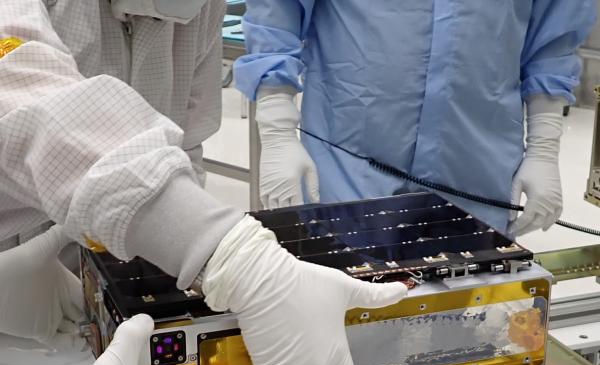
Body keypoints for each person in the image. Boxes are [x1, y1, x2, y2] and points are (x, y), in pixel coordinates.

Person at [0, 1, 408, 365]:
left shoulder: (197, 9)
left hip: (63, 319)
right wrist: (231, 254)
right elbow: (28, 97)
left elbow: (183, 144)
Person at [234, 1, 597, 236]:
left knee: (470, 325)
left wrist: (544, 150)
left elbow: (553, 42)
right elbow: (276, 17)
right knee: (347, 316)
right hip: (349, 161)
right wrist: (277, 129)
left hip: (476, 167)